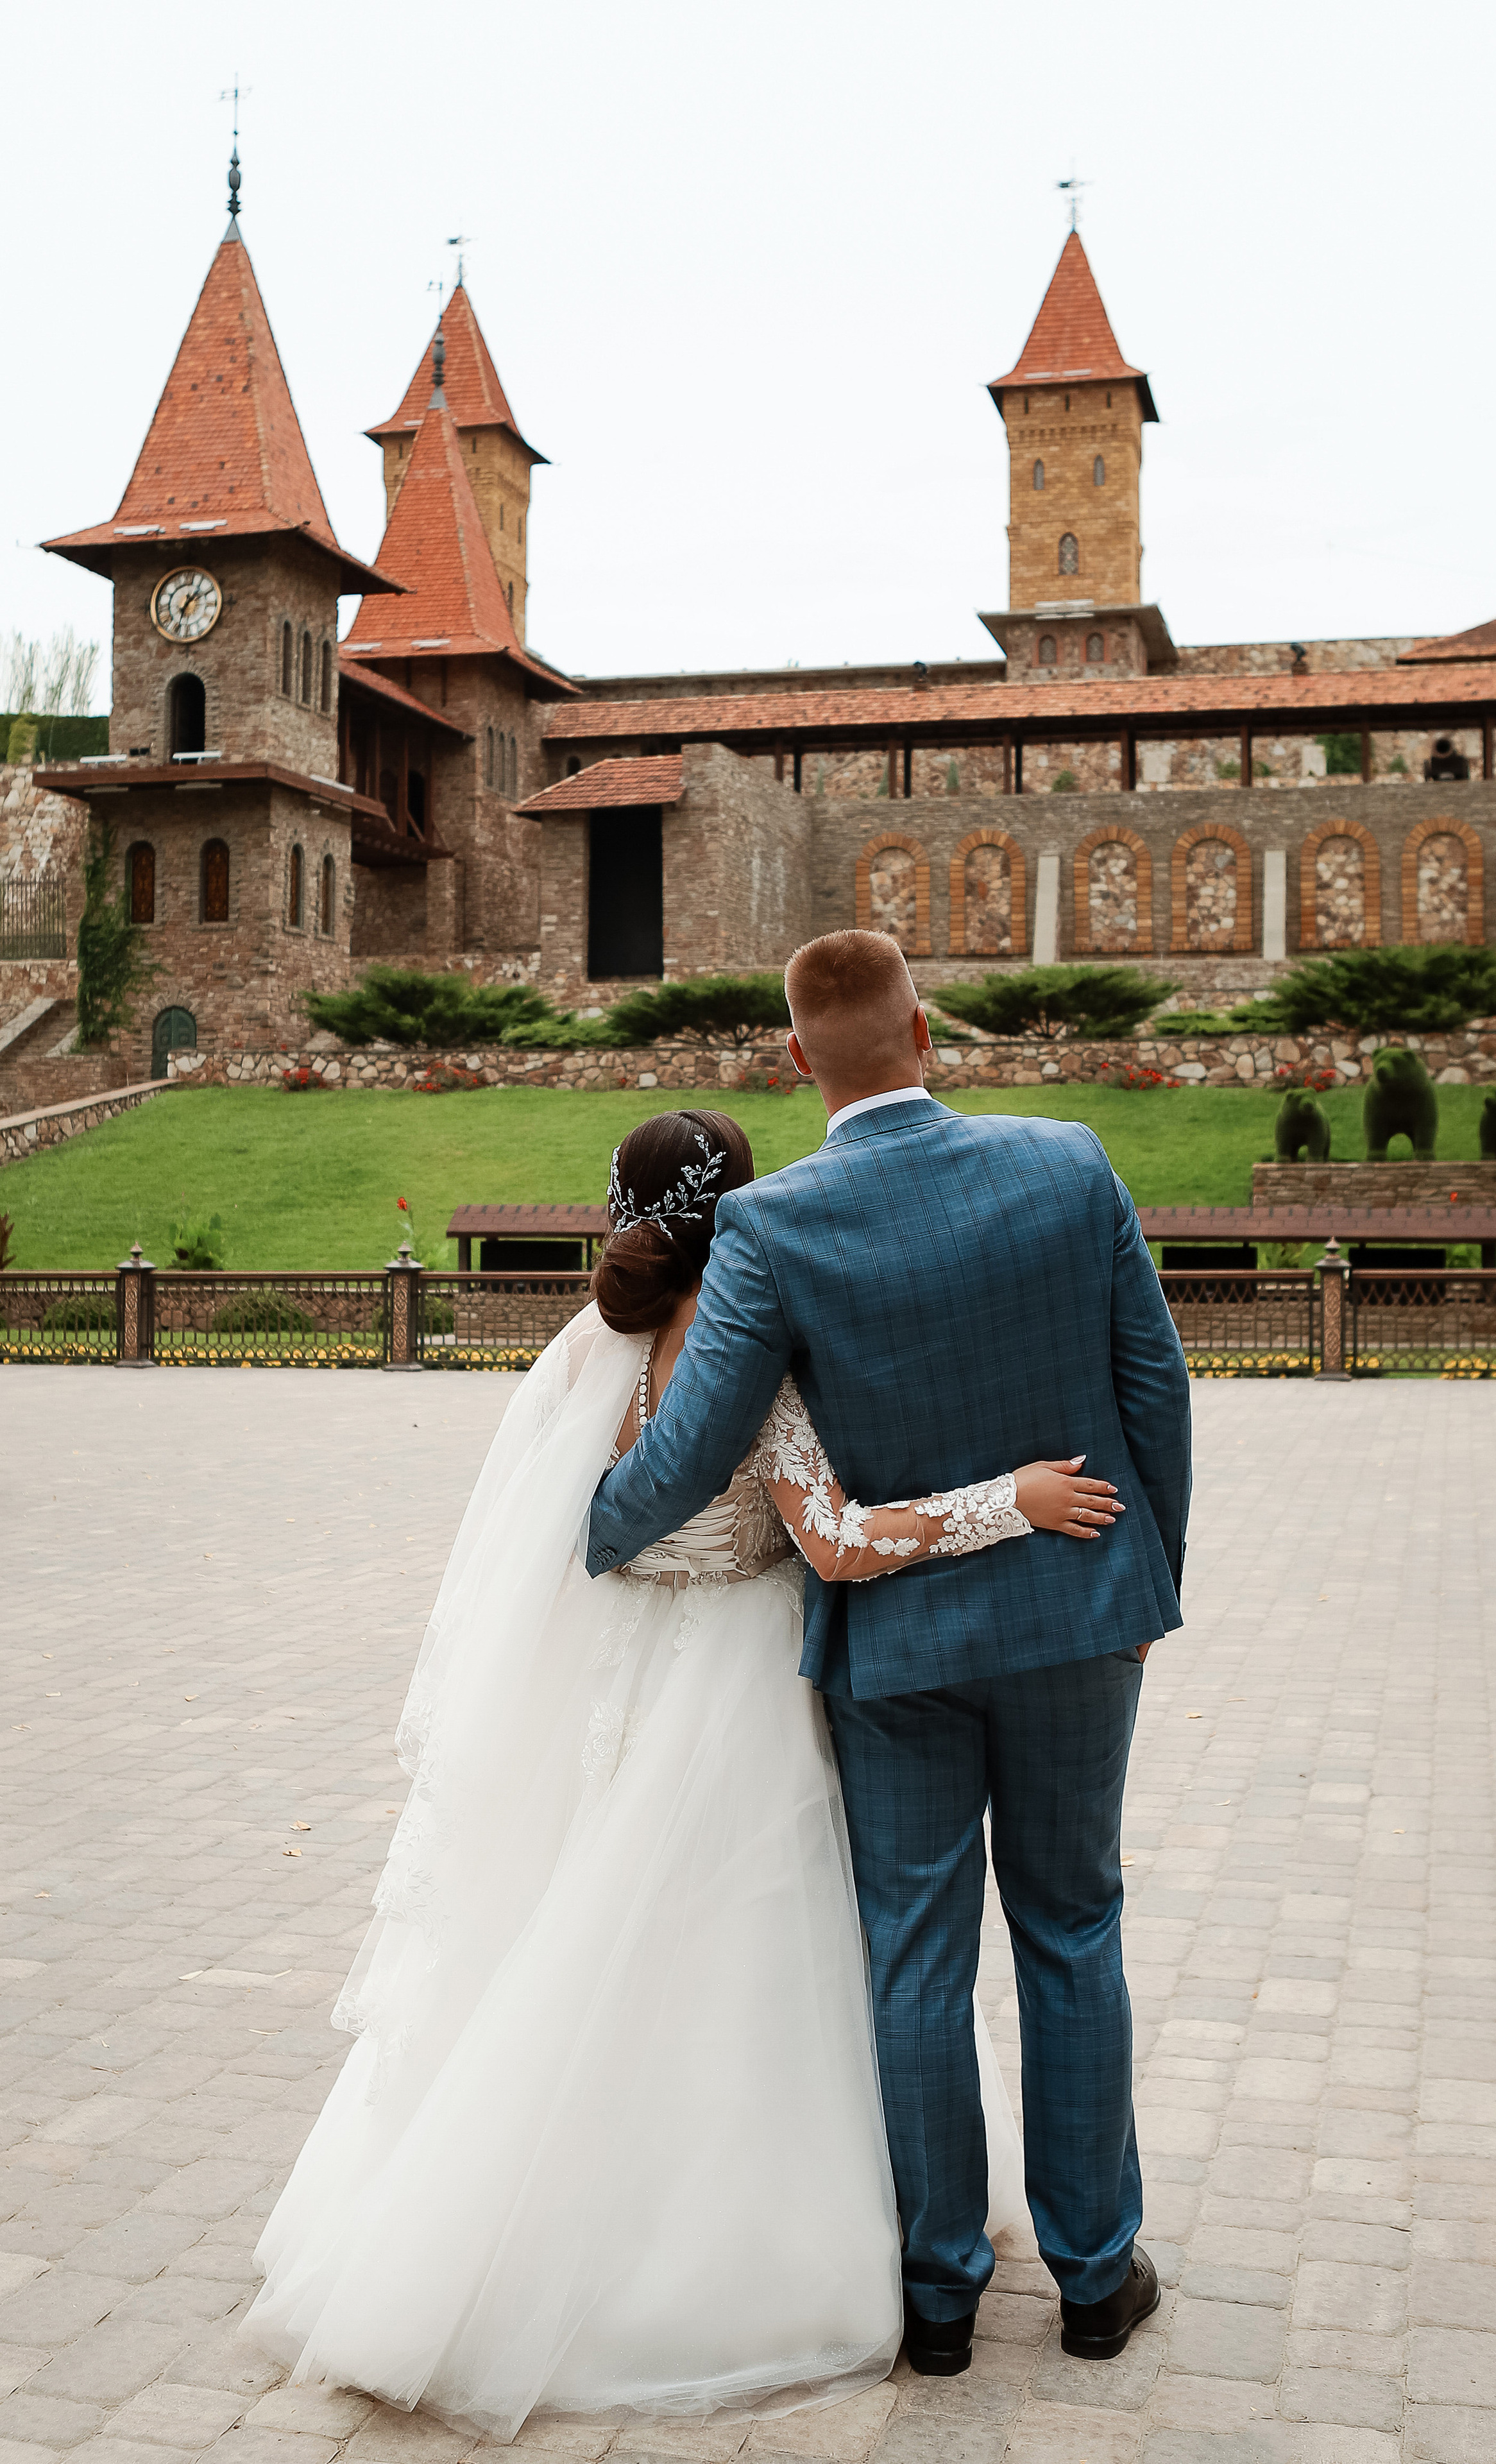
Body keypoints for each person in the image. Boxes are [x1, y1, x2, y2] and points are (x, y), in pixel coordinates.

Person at [243, 1104, 1125, 2436]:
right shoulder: (747, 1360)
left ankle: (498, 2236)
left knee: (594, 1948)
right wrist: (1017, 1499)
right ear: (749, 1210)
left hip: (628, 1692)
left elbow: (578, 1533)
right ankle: (732, 2266)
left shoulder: (591, 1357)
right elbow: (832, 1543)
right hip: (740, 1699)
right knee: (750, 1965)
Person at [588, 930, 1191, 2379]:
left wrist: (586, 1532)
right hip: (1076, 1614)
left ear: (796, 1061)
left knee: (912, 1958)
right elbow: (1152, 1387)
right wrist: (1138, 1580)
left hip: (899, 1654)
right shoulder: (1068, 1161)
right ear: (927, 1030)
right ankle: (1097, 2279)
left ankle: (938, 2298)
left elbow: (690, 1450)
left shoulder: (774, 1228)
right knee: (1073, 1935)